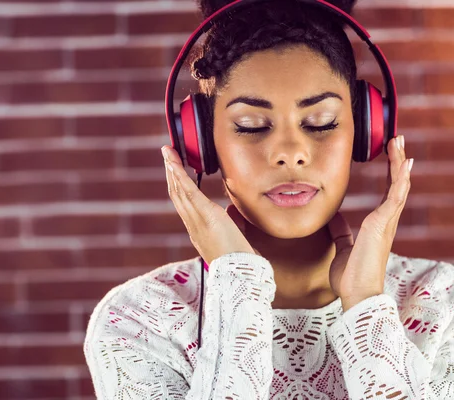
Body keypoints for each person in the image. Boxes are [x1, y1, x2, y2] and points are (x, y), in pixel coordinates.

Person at [83, 0, 454, 398]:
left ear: (366, 130)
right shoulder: (139, 318)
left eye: (320, 122)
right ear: (203, 143)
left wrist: (365, 302)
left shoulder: (442, 302)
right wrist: (238, 287)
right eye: (251, 126)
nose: (289, 152)